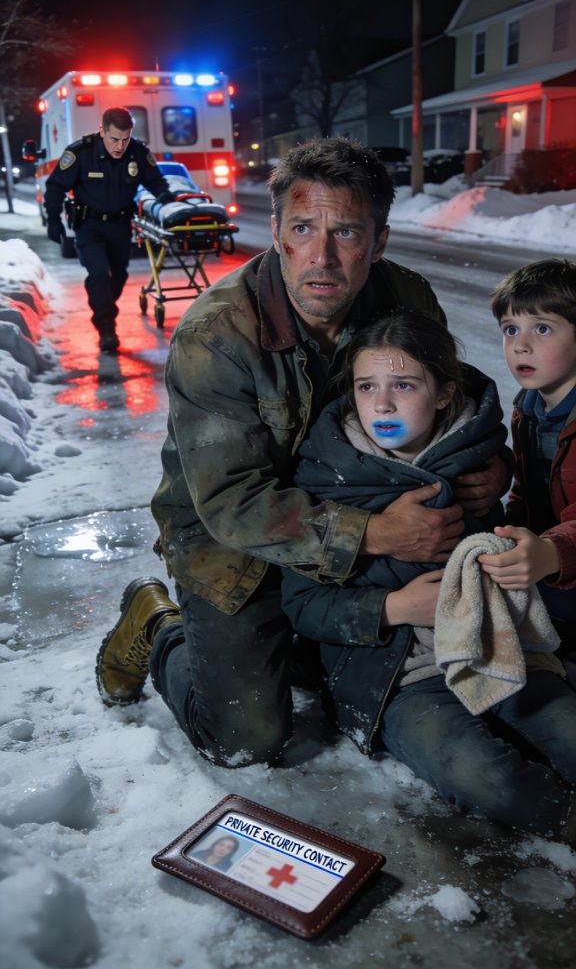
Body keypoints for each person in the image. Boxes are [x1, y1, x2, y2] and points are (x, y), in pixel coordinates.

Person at [95, 137, 507, 769]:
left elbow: (455, 400)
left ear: (379, 242)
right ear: (277, 233)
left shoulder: (407, 298)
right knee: (246, 739)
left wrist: (491, 466)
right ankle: (157, 625)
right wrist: (375, 534)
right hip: (237, 543)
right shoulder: (216, 336)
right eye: (303, 228)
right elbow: (231, 503)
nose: (322, 256)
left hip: (364, 508)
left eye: (346, 233)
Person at [281, 311, 576, 842]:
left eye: (404, 385)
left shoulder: (476, 461)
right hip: (401, 674)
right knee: (488, 778)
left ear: (444, 394)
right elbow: (303, 604)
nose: (382, 404)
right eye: (366, 386)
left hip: (497, 646)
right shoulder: (325, 478)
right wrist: (393, 607)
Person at [478, 259, 576, 665]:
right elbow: (528, 488)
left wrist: (552, 553)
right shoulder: (529, 408)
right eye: (510, 330)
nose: (521, 345)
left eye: (543, 329)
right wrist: (510, 534)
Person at [44, 106, 173, 352]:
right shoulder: (81, 153)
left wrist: (165, 196)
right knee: (99, 275)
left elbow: (154, 180)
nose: (120, 146)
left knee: (119, 276)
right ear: (102, 131)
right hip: (89, 226)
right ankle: (106, 329)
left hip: (120, 226)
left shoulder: (137, 153)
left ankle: (101, 304)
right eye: (114, 139)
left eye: (125, 139)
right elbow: (55, 186)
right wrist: (53, 219)